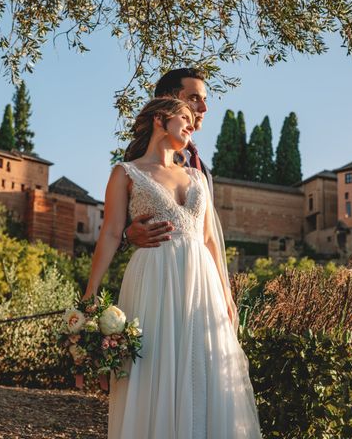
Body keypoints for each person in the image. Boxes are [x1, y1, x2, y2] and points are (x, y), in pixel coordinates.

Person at [83, 98, 261, 438]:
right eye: (186, 117)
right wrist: (91, 293)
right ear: (160, 120)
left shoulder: (196, 177)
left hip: (202, 282)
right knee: (154, 366)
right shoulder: (126, 172)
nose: (193, 124)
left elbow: (209, 238)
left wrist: (226, 292)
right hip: (153, 276)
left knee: (205, 368)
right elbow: (109, 233)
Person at [123, 68, 212, 249]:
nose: (204, 108)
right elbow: (117, 222)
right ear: (167, 101)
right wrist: (127, 235)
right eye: (194, 98)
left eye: (204, 100)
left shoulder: (202, 171)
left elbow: (208, 234)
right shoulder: (139, 158)